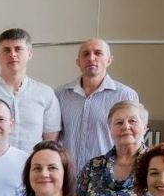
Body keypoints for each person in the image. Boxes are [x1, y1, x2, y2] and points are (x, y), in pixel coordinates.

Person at [0, 28, 60, 152]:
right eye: (6, 50)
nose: (12, 54)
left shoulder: (45, 94)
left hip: (32, 164)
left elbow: (51, 143)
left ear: (30, 54)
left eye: (18, 49)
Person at [55, 39, 140, 170]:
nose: (91, 58)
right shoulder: (60, 95)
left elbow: (135, 141)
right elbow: (53, 139)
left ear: (109, 60)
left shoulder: (125, 95)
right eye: (85, 54)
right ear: (78, 62)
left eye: (98, 53)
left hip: (107, 177)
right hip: (69, 176)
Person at [77, 101, 152, 196]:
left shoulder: (156, 165)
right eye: (119, 122)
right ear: (110, 129)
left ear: (145, 127)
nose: (126, 126)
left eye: (132, 121)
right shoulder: (93, 166)